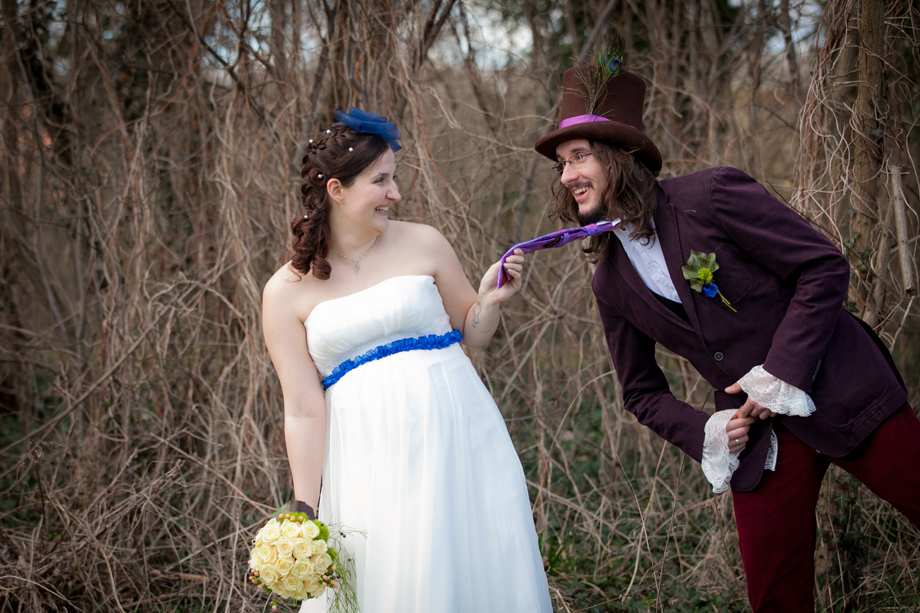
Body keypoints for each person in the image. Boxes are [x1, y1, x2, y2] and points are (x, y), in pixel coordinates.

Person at [532, 57, 920, 612]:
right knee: (775, 598)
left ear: (621, 157)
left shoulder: (712, 195)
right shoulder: (610, 282)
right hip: (760, 444)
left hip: (843, 387)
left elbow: (823, 268)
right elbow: (641, 393)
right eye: (562, 165)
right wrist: (707, 430)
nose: (567, 175)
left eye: (579, 158)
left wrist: (781, 371)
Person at [261, 107, 552, 613]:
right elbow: (303, 408)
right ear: (336, 190)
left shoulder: (424, 242)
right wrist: (304, 509)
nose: (396, 193)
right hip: (367, 460)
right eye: (381, 180)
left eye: (394, 179)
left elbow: (473, 333)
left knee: (473, 568)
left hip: (459, 439)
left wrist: (489, 301)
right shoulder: (285, 292)